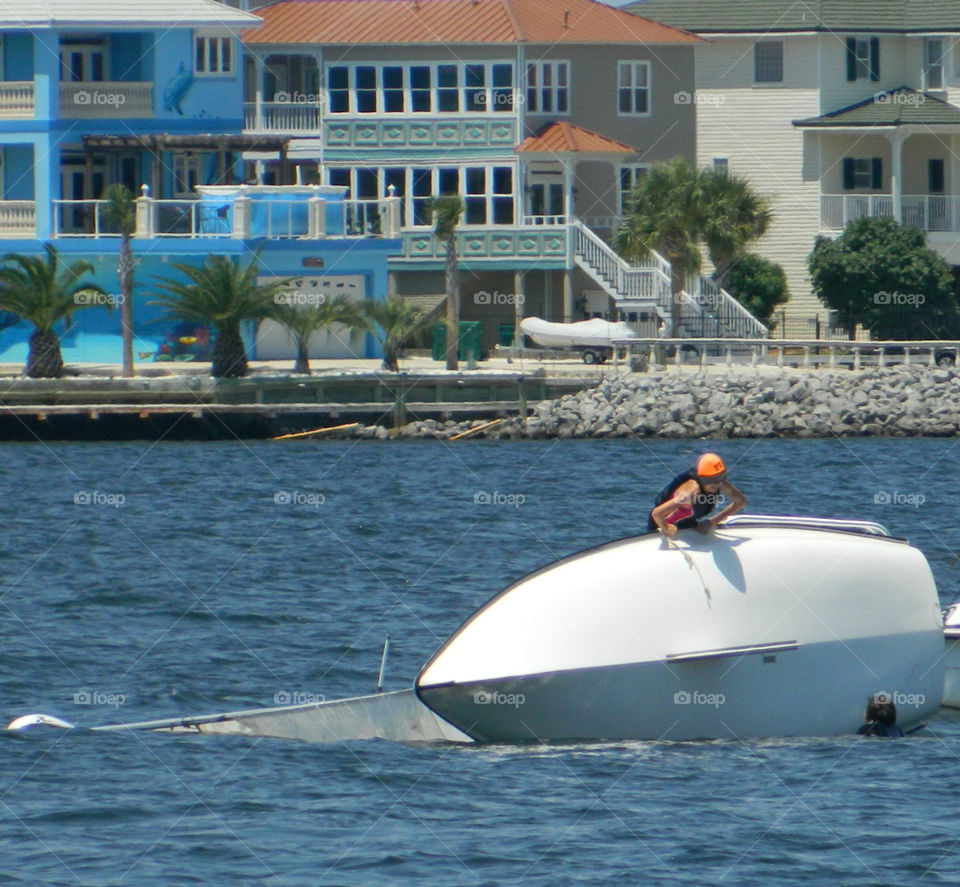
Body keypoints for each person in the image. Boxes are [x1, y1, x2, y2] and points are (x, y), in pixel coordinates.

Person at [647, 452, 747, 536]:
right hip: (659, 527)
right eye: (711, 479)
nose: (716, 484)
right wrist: (666, 527)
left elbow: (740, 502)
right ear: (702, 477)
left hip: (687, 525)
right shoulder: (691, 492)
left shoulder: (720, 482)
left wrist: (712, 521)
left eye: (720, 477)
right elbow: (657, 513)